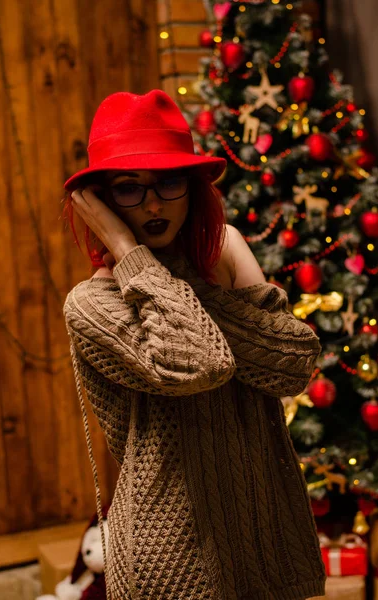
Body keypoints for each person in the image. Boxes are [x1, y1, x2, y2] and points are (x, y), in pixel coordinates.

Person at [63, 89, 327, 600]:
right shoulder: (92, 306)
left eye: (169, 182)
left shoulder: (223, 246)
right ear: (100, 202)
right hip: (172, 555)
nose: (154, 203)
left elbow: (292, 365)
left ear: (193, 185)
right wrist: (126, 250)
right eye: (128, 189)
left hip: (265, 534)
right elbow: (201, 363)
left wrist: (191, 290)